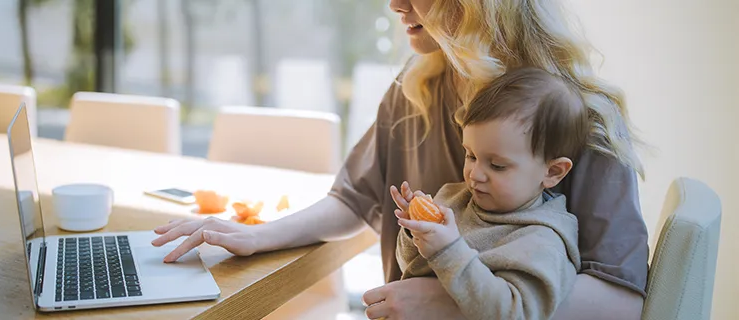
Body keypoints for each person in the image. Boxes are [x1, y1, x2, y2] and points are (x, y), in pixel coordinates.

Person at [150, 0, 650, 318]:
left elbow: (622, 299)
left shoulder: (580, 116)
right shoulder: (417, 84)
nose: (395, 4)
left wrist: (457, 303)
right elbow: (356, 198)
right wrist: (259, 235)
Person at [393, 67, 586, 319]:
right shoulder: (454, 198)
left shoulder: (542, 241)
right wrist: (415, 231)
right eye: (471, 155)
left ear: (553, 172)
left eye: (497, 165)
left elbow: (513, 314)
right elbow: (410, 267)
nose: (475, 174)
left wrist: (448, 251)